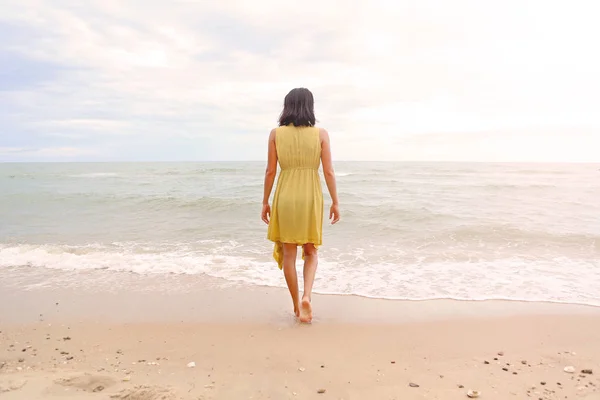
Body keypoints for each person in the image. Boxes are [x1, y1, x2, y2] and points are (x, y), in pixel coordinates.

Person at [261, 87, 340, 323]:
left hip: (285, 196)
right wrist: (335, 202)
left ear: (287, 106)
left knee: (288, 253)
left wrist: (265, 201)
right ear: (310, 106)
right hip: (310, 197)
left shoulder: (275, 134)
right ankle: (307, 296)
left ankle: (297, 306)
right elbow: (328, 171)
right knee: (311, 250)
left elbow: (270, 171)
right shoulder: (321, 134)